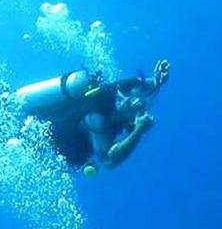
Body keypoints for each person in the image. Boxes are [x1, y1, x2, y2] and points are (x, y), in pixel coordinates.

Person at [13, 59, 171, 176]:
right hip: (41, 132)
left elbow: (140, 87)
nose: (136, 101)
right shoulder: (96, 117)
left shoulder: (122, 90)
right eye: (132, 101)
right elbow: (109, 160)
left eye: (139, 105)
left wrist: (157, 81)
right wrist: (138, 130)